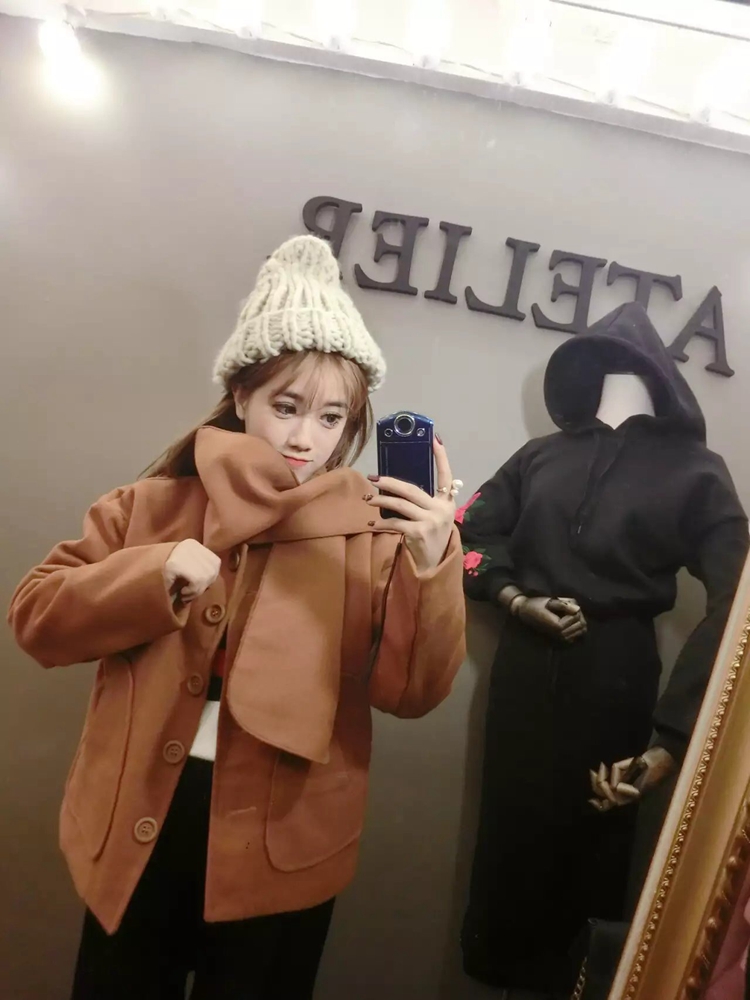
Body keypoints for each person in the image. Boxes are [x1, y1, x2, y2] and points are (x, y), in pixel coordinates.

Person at [8, 235, 466, 1000]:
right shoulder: (150, 508)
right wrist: (152, 575)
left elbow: (411, 693)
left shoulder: (372, 535)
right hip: (139, 822)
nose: (305, 438)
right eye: (286, 407)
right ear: (242, 395)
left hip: (285, 843)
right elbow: (36, 617)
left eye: (331, 417)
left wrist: (430, 561)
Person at [457, 302, 748, 995]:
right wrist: (514, 598)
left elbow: (740, 601)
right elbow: (469, 531)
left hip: (617, 685)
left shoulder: (696, 472)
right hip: (523, 678)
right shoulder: (540, 457)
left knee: (593, 854)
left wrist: (670, 741)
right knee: (510, 847)